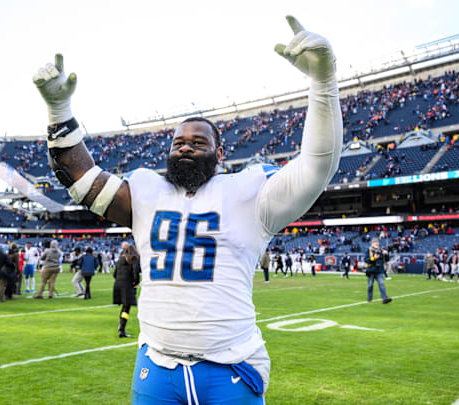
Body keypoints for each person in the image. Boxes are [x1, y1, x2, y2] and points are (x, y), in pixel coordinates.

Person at [32, 15, 341, 403]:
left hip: (231, 365)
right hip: (157, 366)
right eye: (178, 142)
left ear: (219, 153)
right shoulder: (146, 190)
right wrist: (59, 111)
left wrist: (324, 82)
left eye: (198, 141)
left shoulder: (249, 192)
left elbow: (317, 167)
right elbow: (81, 180)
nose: (185, 147)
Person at [114, 244, 141, 337]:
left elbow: (114, 274)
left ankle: (121, 327)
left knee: (124, 308)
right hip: (127, 286)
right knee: (126, 309)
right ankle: (121, 329)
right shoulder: (133, 259)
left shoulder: (120, 259)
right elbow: (136, 272)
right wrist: (135, 282)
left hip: (118, 285)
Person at [365, 239, 392, 304]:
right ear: (372, 243)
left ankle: (385, 298)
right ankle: (369, 298)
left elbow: (387, 259)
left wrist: (386, 254)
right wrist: (373, 258)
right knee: (370, 285)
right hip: (370, 270)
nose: (376, 243)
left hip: (379, 270)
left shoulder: (381, 250)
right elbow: (366, 260)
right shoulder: (369, 250)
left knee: (381, 284)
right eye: (375, 242)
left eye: (377, 242)